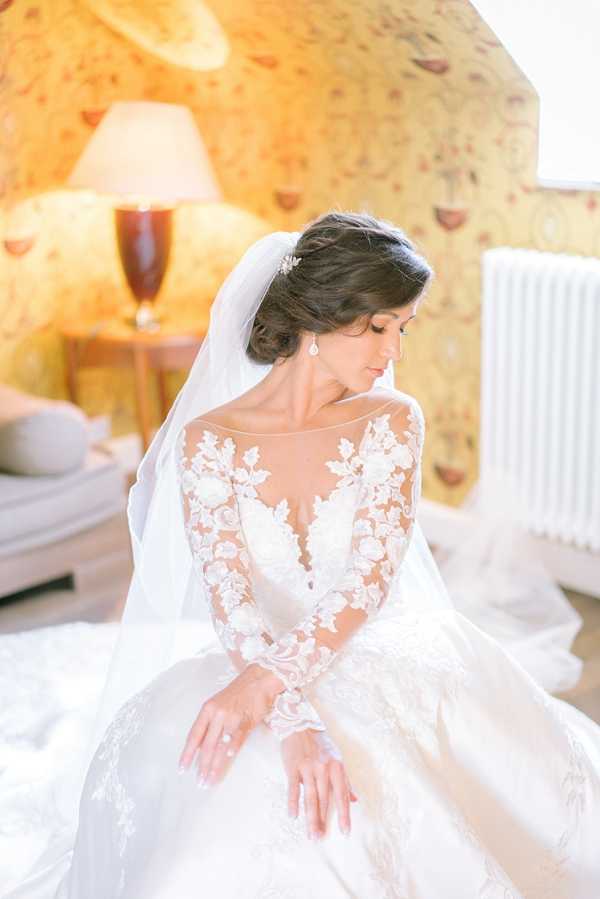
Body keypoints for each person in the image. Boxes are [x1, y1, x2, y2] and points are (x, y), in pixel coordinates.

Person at [5, 211, 600, 898]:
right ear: (319, 317)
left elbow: (369, 580)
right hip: (258, 654)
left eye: (403, 328)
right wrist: (291, 719)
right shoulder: (208, 441)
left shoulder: (392, 420)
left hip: (379, 650)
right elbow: (231, 597)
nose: (393, 351)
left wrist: (264, 688)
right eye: (377, 327)